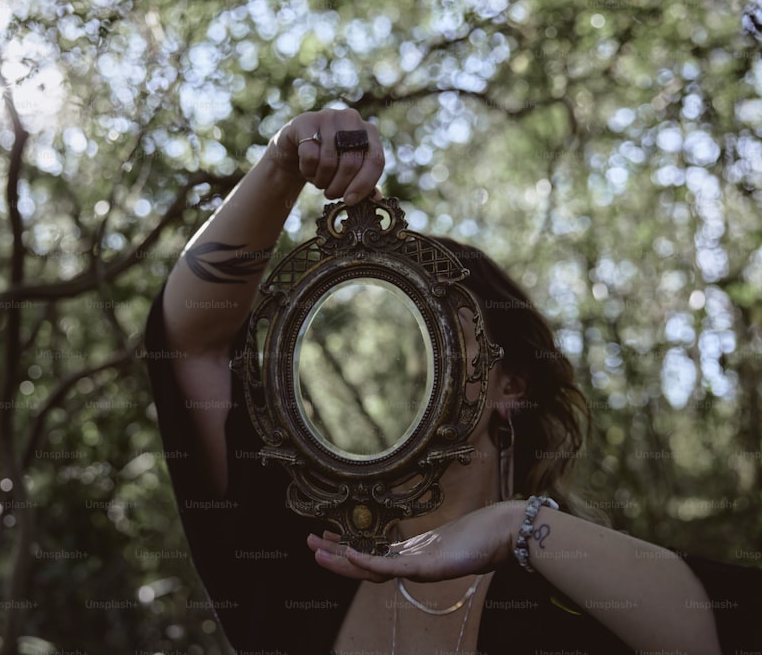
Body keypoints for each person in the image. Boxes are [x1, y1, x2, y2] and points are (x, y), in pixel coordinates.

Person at [143, 108, 760, 654]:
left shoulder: (576, 588)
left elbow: (734, 629)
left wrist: (516, 528)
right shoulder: (301, 562)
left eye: (433, 318)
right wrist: (282, 162)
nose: (416, 352)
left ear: (509, 385)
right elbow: (189, 342)